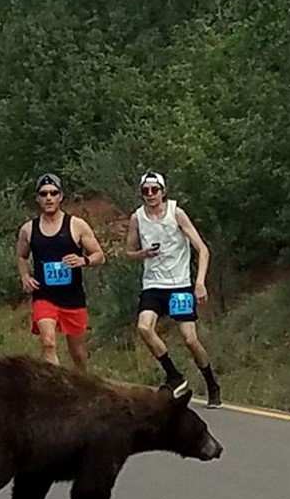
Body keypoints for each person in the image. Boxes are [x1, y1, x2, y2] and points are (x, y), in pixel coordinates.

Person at [126, 171, 223, 407]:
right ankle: (174, 375)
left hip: (179, 285)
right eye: (145, 191)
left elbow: (202, 249)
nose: (150, 195)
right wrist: (142, 254)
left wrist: (199, 282)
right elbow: (128, 252)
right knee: (144, 327)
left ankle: (211, 382)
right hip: (153, 284)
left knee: (190, 339)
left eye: (154, 190)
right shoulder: (137, 218)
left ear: (163, 191)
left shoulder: (176, 213)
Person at [14, 173, 105, 368]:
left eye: (53, 193)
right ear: (37, 198)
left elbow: (99, 255)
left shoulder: (77, 225)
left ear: (60, 196)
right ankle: (54, 391)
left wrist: (83, 260)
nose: (48, 197)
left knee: (78, 354)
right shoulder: (28, 229)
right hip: (44, 295)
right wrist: (25, 276)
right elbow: (21, 256)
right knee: (48, 343)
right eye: (44, 193)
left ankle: (82, 388)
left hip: (72, 298)